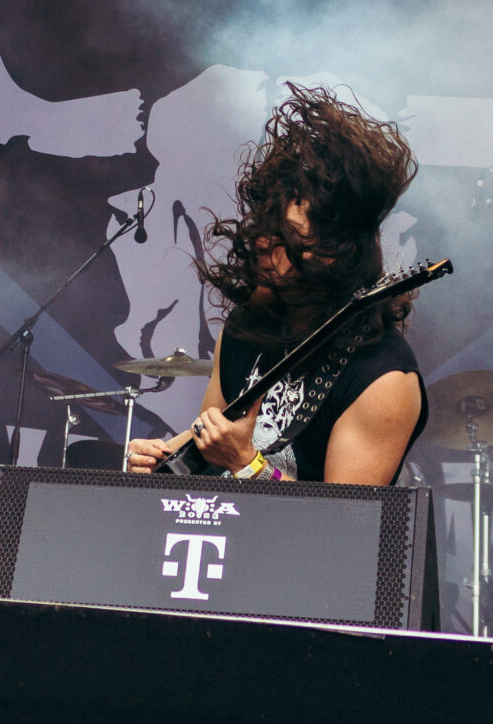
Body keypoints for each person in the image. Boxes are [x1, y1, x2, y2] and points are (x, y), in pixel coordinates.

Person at [124, 86, 426, 484]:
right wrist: (164, 458)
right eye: (265, 226)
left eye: (288, 236)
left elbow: (344, 519)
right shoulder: (244, 330)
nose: (263, 243)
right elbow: (211, 442)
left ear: (335, 252)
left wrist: (248, 465)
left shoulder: (383, 378)